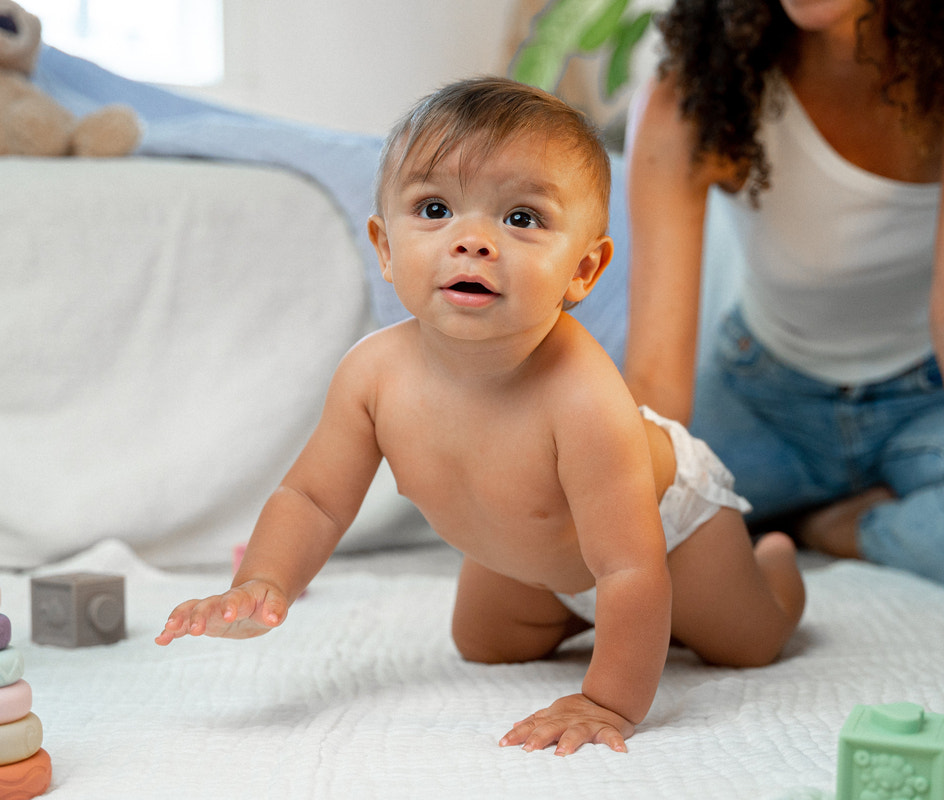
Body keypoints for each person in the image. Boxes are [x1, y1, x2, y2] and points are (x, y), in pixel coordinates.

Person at [155, 77, 804, 755]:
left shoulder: (584, 397)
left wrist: (605, 700)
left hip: (666, 535)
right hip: (533, 556)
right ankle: (582, 614)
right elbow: (313, 499)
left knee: (750, 643)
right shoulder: (372, 376)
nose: (472, 241)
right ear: (383, 246)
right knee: (485, 645)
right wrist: (263, 582)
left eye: (521, 218)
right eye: (434, 208)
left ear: (583, 271)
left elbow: (628, 569)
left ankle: (776, 564)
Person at [624, 0, 944, 640]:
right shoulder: (696, 90)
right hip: (763, 395)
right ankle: (810, 515)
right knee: (621, 507)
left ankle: (829, 526)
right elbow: (655, 381)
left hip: (929, 396)